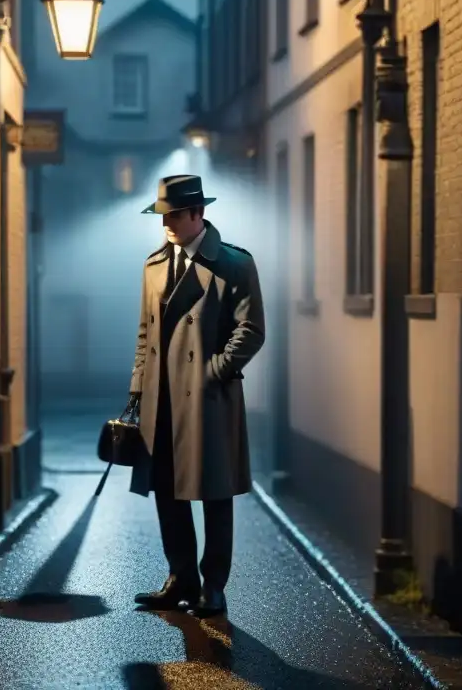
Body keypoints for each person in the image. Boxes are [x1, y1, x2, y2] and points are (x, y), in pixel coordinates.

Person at [125, 173, 265, 618]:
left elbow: (251, 329)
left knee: (214, 492)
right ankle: (180, 577)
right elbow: (145, 333)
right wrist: (137, 386)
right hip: (160, 396)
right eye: (162, 215)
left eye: (174, 215)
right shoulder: (153, 265)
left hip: (207, 398)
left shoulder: (233, 264)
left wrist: (213, 371)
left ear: (197, 213)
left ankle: (214, 586)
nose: (166, 223)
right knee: (167, 490)